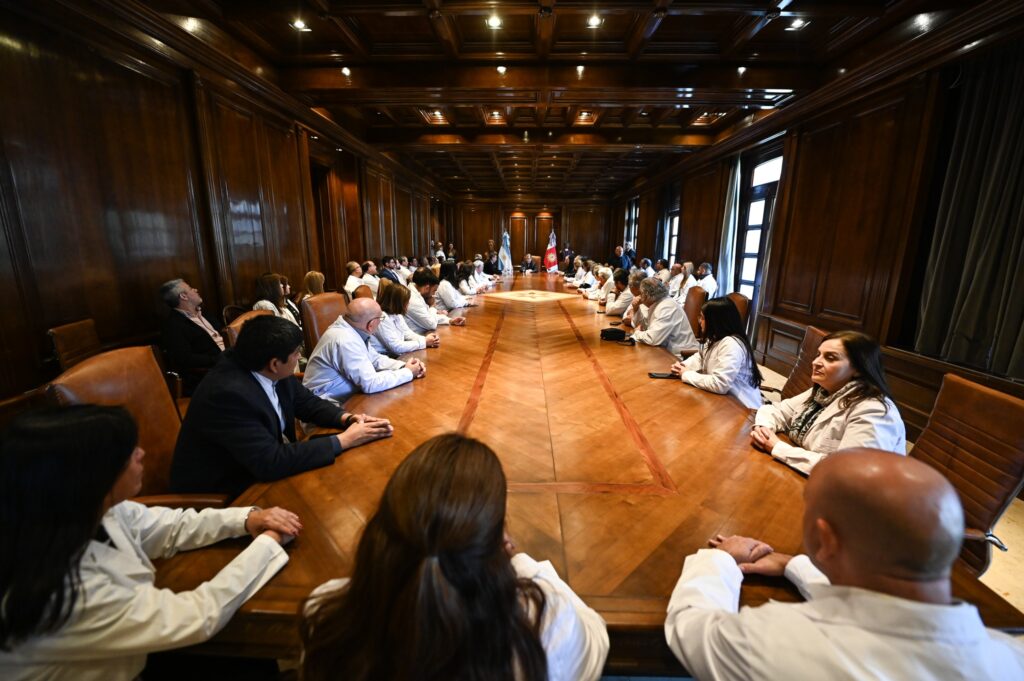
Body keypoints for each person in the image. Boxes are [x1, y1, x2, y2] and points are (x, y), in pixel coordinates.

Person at [664, 449, 1024, 680]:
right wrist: (796, 565)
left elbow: (691, 625)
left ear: (826, 539)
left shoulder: (774, 645)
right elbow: (884, 614)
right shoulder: (1010, 659)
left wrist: (723, 558)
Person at [0, 405, 299, 681]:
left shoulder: (82, 511)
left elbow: (169, 527)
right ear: (91, 477)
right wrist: (267, 545)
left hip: (127, 654)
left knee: (248, 662)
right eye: (128, 452)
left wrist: (246, 519)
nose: (141, 454)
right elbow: (195, 616)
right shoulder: (63, 590)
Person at [299, 433, 609, 681]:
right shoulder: (545, 621)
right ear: (498, 542)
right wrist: (523, 565)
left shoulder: (324, 616)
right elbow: (595, 636)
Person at [170, 315, 393, 499]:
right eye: (296, 353)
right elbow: (270, 461)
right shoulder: (227, 395)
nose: (299, 357)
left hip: (264, 468)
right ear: (275, 364)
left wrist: (347, 419)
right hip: (233, 493)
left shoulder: (264, 364)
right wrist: (345, 440)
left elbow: (306, 402)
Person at [750, 330, 906, 474]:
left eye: (830, 358)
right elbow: (777, 410)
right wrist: (764, 429)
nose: (816, 362)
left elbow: (849, 470)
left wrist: (779, 448)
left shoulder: (875, 411)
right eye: (818, 354)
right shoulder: (825, 390)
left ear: (858, 369)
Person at [303, 298, 424, 405]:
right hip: (329, 407)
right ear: (371, 324)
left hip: (350, 397)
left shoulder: (353, 328)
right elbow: (370, 384)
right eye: (380, 318)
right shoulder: (346, 340)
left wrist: (403, 366)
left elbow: (375, 358)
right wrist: (408, 373)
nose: (381, 322)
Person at [670, 297, 761, 408]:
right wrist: (683, 366)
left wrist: (686, 374)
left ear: (715, 321)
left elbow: (720, 384)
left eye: (703, 318)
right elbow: (700, 357)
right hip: (722, 400)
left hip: (741, 407)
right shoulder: (715, 337)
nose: (699, 321)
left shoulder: (731, 344)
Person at [158, 278, 224, 395]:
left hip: (230, 357)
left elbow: (222, 332)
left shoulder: (204, 313)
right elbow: (185, 359)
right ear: (183, 296)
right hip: (212, 372)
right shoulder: (174, 326)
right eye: (191, 288)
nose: (195, 290)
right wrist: (219, 359)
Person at [630, 278, 698, 355]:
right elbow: (643, 326)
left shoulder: (666, 307)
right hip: (664, 350)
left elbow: (653, 338)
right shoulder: (658, 303)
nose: (639, 297)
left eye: (641, 294)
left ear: (646, 295)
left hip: (681, 355)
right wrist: (636, 308)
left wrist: (637, 333)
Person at [372, 280, 440, 356]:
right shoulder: (381, 318)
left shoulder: (397, 314)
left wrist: (426, 339)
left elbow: (407, 333)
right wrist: (424, 342)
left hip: (396, 354)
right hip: (386, 356)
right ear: (398, 302)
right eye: (406, 301)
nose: (408, 304)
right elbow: (396, 347)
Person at [405, 268, 465, 334]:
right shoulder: (412, 299)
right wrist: (432, 307)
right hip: (420, 336)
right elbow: (431, 324)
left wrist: (450, 320)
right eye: (434, 290)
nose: (434, 294)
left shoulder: (416, 293)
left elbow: (429, 316)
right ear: (427, 288)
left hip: (425, 334)